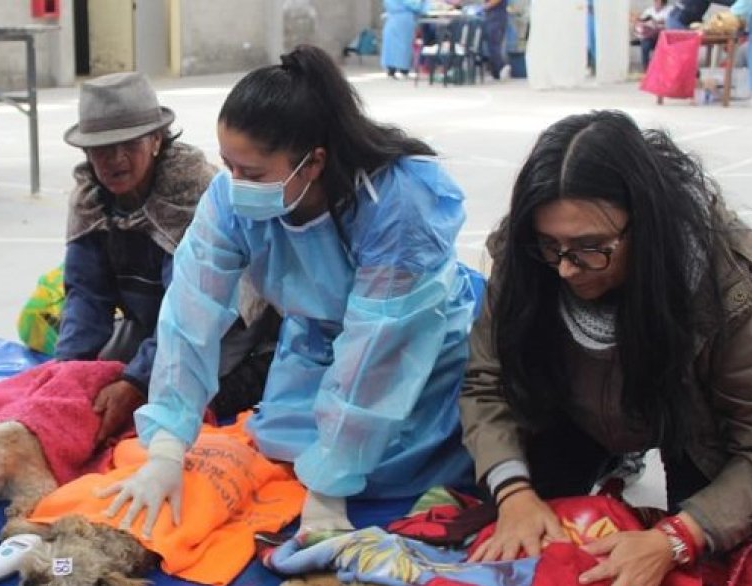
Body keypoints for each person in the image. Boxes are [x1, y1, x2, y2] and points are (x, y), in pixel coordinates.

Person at [99, 45, 480, 538]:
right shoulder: (231, 198)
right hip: (317, 339)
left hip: (414, 352)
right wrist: (168, 446)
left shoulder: (397, 204)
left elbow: (379, 350)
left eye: (252, 173)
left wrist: (330, 485)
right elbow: (189, 311)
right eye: (227, 164)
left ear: (313, 162)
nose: (235, 184)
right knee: (281, 445)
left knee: (388, 467)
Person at [461, 110, 752, 586]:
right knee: (520, 545)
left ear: (647, 225)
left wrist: (677, 537)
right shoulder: (527, 257)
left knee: (701, 571)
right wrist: (514, 493)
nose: (566, 268)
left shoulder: (726, 286)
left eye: (591, 249)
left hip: (686, 423)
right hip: (567, 409)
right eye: (551, 246)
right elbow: (488, 384)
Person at [58, 72, 280, 448]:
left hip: (219, 320)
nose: (115, 160)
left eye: (129, 144)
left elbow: (196, 308)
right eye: (101, 148)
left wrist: (136, 382)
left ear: (157, 140)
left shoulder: (192, 191)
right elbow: (86, 297)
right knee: (87, 384)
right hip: (151, 321)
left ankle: (262, 366)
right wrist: (65, 374)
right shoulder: (90, 200)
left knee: (182, 399)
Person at [383, 0, 428, 79]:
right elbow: (413, 5)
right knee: (404, 46)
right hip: (404, 20)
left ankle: (391, 70)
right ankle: (403, 70)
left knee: (391, 46)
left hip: (392, 18)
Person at [635, 0, 672, 70]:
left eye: (658, 1)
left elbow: (671, 24)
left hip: (662, 37)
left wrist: (660, 23)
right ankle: (646, 68)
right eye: (655, 1)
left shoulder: (669, 10)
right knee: (645, 45)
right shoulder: (649, 11)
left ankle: (663, 68)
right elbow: (640, 22)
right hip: (650, 36)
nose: (656, 3)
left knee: (664, 44)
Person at [483, 0, 511, 79]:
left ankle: (501, 67)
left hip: (496, 16)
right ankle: (496, 72)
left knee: (494, 44)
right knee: (492, 45)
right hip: (492, 15)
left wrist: (487, 5)